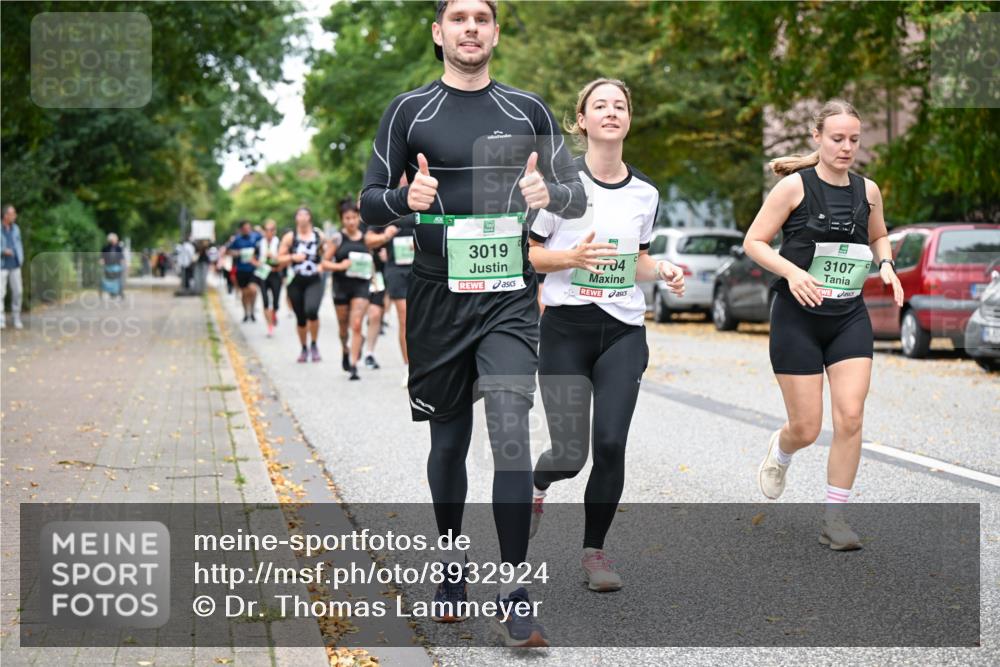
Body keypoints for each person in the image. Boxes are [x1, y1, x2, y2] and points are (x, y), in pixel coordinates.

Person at [359, 0, 587, 647]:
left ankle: (514, 591)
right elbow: (369, 201)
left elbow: (575, 194)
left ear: (495, 33)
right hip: (437, 293)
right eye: (458, 18)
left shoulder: (528, 110)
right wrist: (405, 198)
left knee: (511, 432)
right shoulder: (409, 111)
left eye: (481, 18)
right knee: (449, 442)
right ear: (439, 33)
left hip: (508, 293)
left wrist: (549, 194)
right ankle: (452, 559)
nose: (470, 28)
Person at [526, 79, 685, 592]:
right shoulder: (559, 185)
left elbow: (638, 260)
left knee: (611, 444)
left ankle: (594, 552)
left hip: (622, 332)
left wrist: (663, 270)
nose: (611, 112)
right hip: (565, 330)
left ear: (628, 119)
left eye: (620, 106)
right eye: (600, 105)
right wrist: (570, 258)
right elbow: (530, 255)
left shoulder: (646, 192)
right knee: (570, 455)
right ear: (583, 120)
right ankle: (537, 483)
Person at [744, 99, 904, 550]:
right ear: (817, 137)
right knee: (807, 427)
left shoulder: (868, 190)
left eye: (854, 139)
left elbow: (878, 234)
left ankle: (835, 519)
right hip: (797, 317)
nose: (847, 147)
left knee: (850, 416)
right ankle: (783, 448)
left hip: (848, 315)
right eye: (837, 139)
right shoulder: (794, 188)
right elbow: (754, 241)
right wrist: (793, 273)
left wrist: (886, 264)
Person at [364, 174, 415, 387]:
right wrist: (385, 236)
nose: (404, 179)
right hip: (396, 271)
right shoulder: (389, 206)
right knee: (405, 319)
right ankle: (409, 368)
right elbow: (369, 240)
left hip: (423, 270)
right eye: (401, 175)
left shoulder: (426, 200)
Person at [324, 199, 372, 380]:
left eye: (354, 217)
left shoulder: (366, 237)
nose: (351, 221)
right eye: (347, 218)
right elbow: (324, 263)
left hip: (361, 286)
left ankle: (353, 365)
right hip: (341, 286)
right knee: (343, 328)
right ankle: (345, 349)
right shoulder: (337, 239)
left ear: (359, 217)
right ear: (342, 219)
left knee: (357, 324)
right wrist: (340, 266)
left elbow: (372, 259)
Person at [278, 207, 325, 363]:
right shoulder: (290, 237)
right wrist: (293, 257)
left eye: (306, 214)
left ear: (310, 217)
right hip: (295, 280)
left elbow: (328, 254)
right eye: (300, 214)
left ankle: (314, 344)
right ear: (296, 218)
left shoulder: (318, 235)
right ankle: (304, 348)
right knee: (300, 317)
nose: (303, 217)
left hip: (314, 279)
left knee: (312, 310)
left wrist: (322, 265)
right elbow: (279, 259)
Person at [228, 220, 262, 322]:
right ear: (241, 229)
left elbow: (265, 240)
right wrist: (239, 253)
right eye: (245, 228)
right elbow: (229, 251)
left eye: (249, 228)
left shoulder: (256, 236)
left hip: (253, 269)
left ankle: (252, 310)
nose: (247, 230)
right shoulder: (237, 239)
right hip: (241, 269)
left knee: (253, 290)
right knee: (245, 293)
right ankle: (246, 313)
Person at [256, 219, 285, 337]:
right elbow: (252, 258)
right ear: (263, 231)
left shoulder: (280, 244)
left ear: (275, 231)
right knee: (265, 301)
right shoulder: (259, 244)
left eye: (272, 230)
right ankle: (269, 326)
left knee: (276, 302)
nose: (269, 232)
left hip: (275, 274)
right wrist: (258, 264)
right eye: (267, 230)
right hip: (263, 274)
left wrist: (277, 264)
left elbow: (285, 259)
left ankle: (274, 314)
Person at [363, 245, 389, 370]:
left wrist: (389, 254)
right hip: (354, 279)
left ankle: (369, 353)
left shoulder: (383, 234)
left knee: (375, 314)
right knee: (355, 321)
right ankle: (350, 347)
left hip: (377, 279)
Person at [1, 204, 24, 329]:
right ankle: (1, 320)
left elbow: (19, 244)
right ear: (6, 216)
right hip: (2, 266)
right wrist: (3, 251)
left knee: (18, 292)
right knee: (0, 293)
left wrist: (21, 257)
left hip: (15, 265)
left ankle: (16, 318)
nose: (15, 216)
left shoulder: (16, 229)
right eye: (12, 214)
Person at [99, 232, 126, 298]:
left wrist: (123, 263)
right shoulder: (105, 248)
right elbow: (102, 257)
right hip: (108, 267)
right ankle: (112, 292)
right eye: (112, 240)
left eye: (115, 240)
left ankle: (120, 292)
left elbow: (122, 257)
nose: (114, 241)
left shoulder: (119, 248)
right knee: (109, 280)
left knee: (118, 280)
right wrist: (102, 261)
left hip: (117, 267)